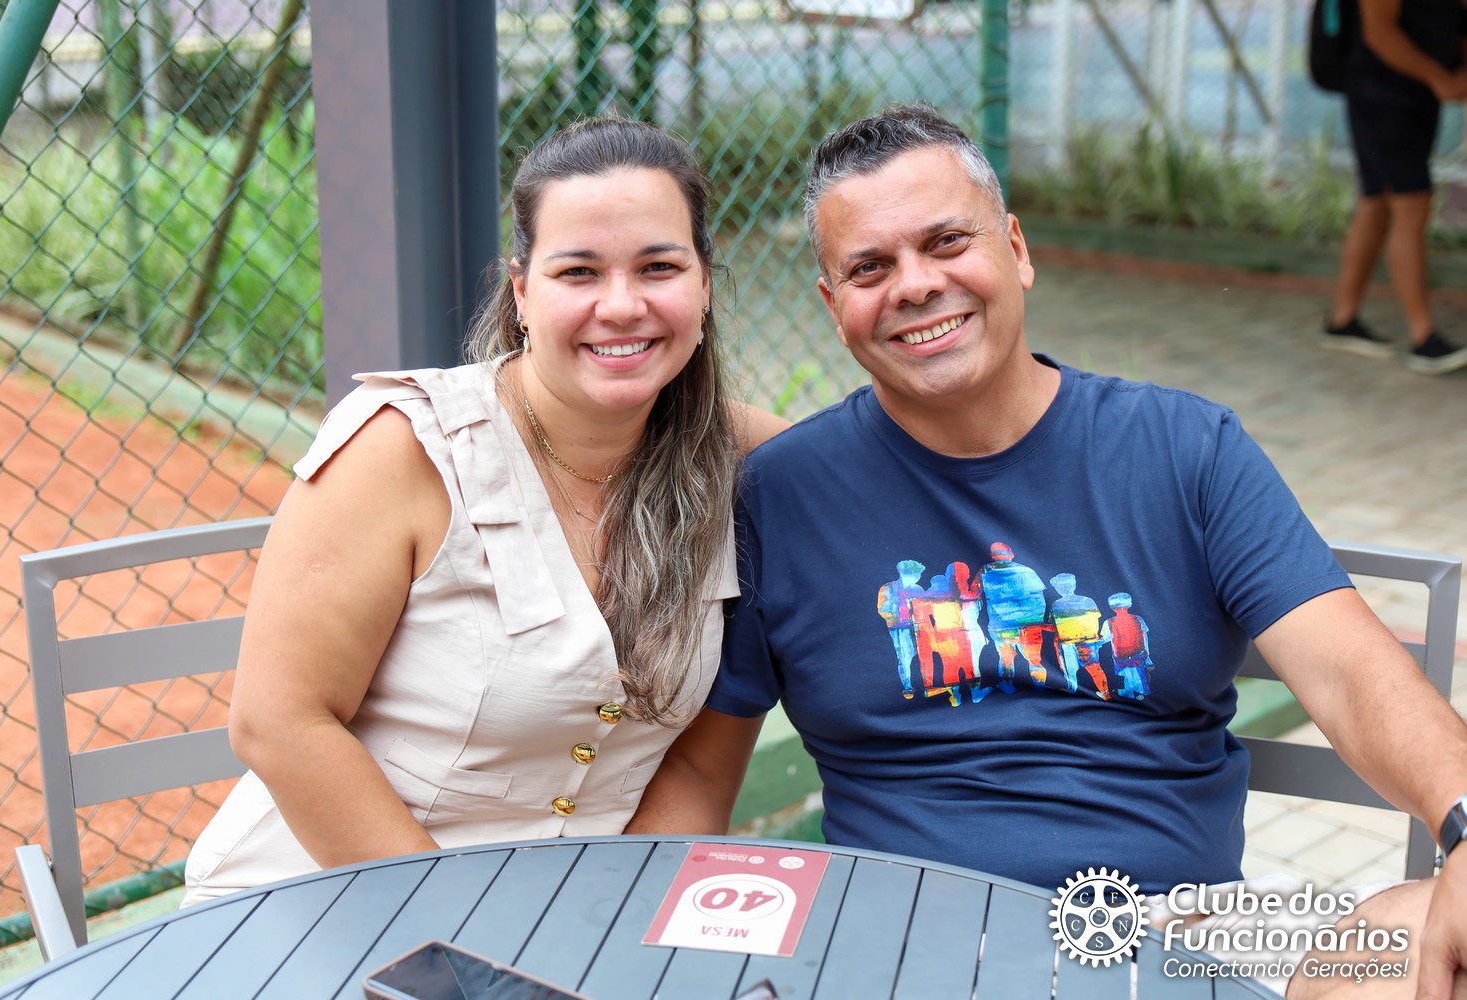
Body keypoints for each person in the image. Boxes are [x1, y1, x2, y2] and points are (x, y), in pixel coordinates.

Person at [628, 104, 1467, 998]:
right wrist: (617, 937)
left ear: (1016, 250)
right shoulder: (780, 496)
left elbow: (1352, 672)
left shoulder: (1185, 450)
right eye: (869, 267)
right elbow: (701, 770)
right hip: (900, 948)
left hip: (1181, 940)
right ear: (836, 309)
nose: (915, 285)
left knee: (1411, 942)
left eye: (947, 242)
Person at [183, 116, 787, 904]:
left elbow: (699, 767)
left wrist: (617, 925)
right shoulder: (402, 448)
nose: (621, 304)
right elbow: (279, 723)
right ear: (522, 291)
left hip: (572, 917)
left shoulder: (748, 461)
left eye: (659, 267)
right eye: (578, 272)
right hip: (328, 898)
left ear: (703, 284)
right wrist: (471, 948)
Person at [1322, 0, 1467, 375]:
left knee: (1376, 204)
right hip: (1380, 93)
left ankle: (1342, 319)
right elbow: (1379, 32)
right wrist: (1440, 78)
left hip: (1418, 95)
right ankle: (1424, 337)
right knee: (1412, 203)